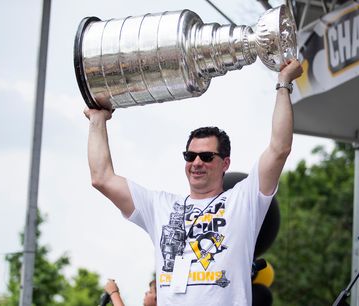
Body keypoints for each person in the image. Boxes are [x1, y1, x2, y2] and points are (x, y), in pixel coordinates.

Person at [85, 59, 303, 305]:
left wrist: (284, 84)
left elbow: (279, 149)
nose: (197, 162)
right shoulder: (160, 206)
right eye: (190, 156)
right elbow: (102, 178)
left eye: (207, 156)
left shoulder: (243, 200)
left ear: (225, 163)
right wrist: (97, 119)